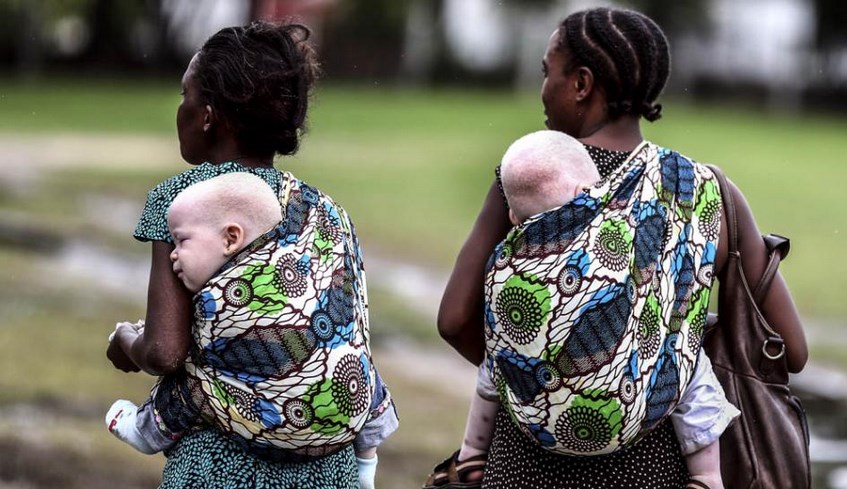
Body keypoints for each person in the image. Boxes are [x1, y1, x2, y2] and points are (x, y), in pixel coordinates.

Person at [434, 7, 807, 489]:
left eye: (548, 73)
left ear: (582, 84)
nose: (543, 89)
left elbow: (453, 320)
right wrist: (663, 341)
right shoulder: (703, 192)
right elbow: (789, 350)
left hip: (521, 464)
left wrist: (545, 375)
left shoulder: (527, 179)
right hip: (652, 470)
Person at [105, 21, 396, 489]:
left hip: (220, 466)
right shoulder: (327, 211)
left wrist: (124, 342)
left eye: (186, 94)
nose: (179, 108)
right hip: (327, 468)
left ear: (208, 114)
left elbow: (164, 351)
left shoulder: (182, 200)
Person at [427, 130, 739, 489]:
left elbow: (454, 324)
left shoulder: (508, 269)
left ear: (514, 217)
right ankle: (706, 476)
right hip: (635, 417)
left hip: (537, 429)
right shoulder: (640, 214)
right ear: (584, 195)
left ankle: (471, 453)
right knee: (684, 350)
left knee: (496, 361)